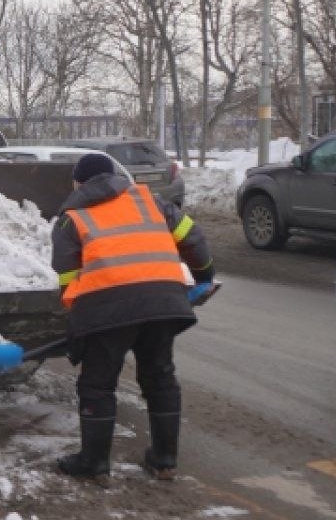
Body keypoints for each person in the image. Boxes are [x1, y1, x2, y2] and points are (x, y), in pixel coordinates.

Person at [50, 153, 214, 482]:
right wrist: (204, 274)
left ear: (78, 184)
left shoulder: (71, 219)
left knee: (97, 384)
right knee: (160, 376)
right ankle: (164, 460)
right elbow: (192, 238)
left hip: (108, 308)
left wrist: (80, 323)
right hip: (164, 301)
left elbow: (69, 284)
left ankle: (94, 464)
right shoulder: (151, 202)